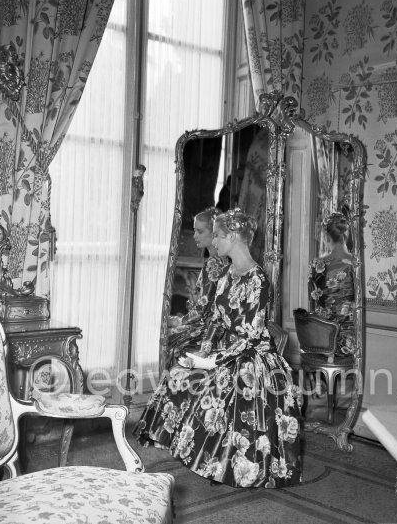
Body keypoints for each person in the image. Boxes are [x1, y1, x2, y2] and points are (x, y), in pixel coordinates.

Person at [134, 207, 303, 488]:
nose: (214, 242)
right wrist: (204, 350)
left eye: (219, 236)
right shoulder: (227, 274)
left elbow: (250, 336)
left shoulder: (258, 280)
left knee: (221, 387)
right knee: (176, 378)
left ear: (234, 237)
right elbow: (215, 319)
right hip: (224, 351)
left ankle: (225, 463)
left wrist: (213, 362)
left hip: (252, 358)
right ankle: (198, 454)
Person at [167, 207, 228, 367]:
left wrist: (179, 321)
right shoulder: (224, 260)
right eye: (194, 231)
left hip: (208, 329)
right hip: (216, 326)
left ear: (214, 233)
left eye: (199, 231)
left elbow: (202, 308)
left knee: (166, 337)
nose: (194, 236)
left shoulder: (213, 263)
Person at [308, 212, 355, 356]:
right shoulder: (355, 264)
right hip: (350, 338)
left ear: (327, 237)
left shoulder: (317, 264)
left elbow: (313, 301)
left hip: (322, 335)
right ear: (345, 236)